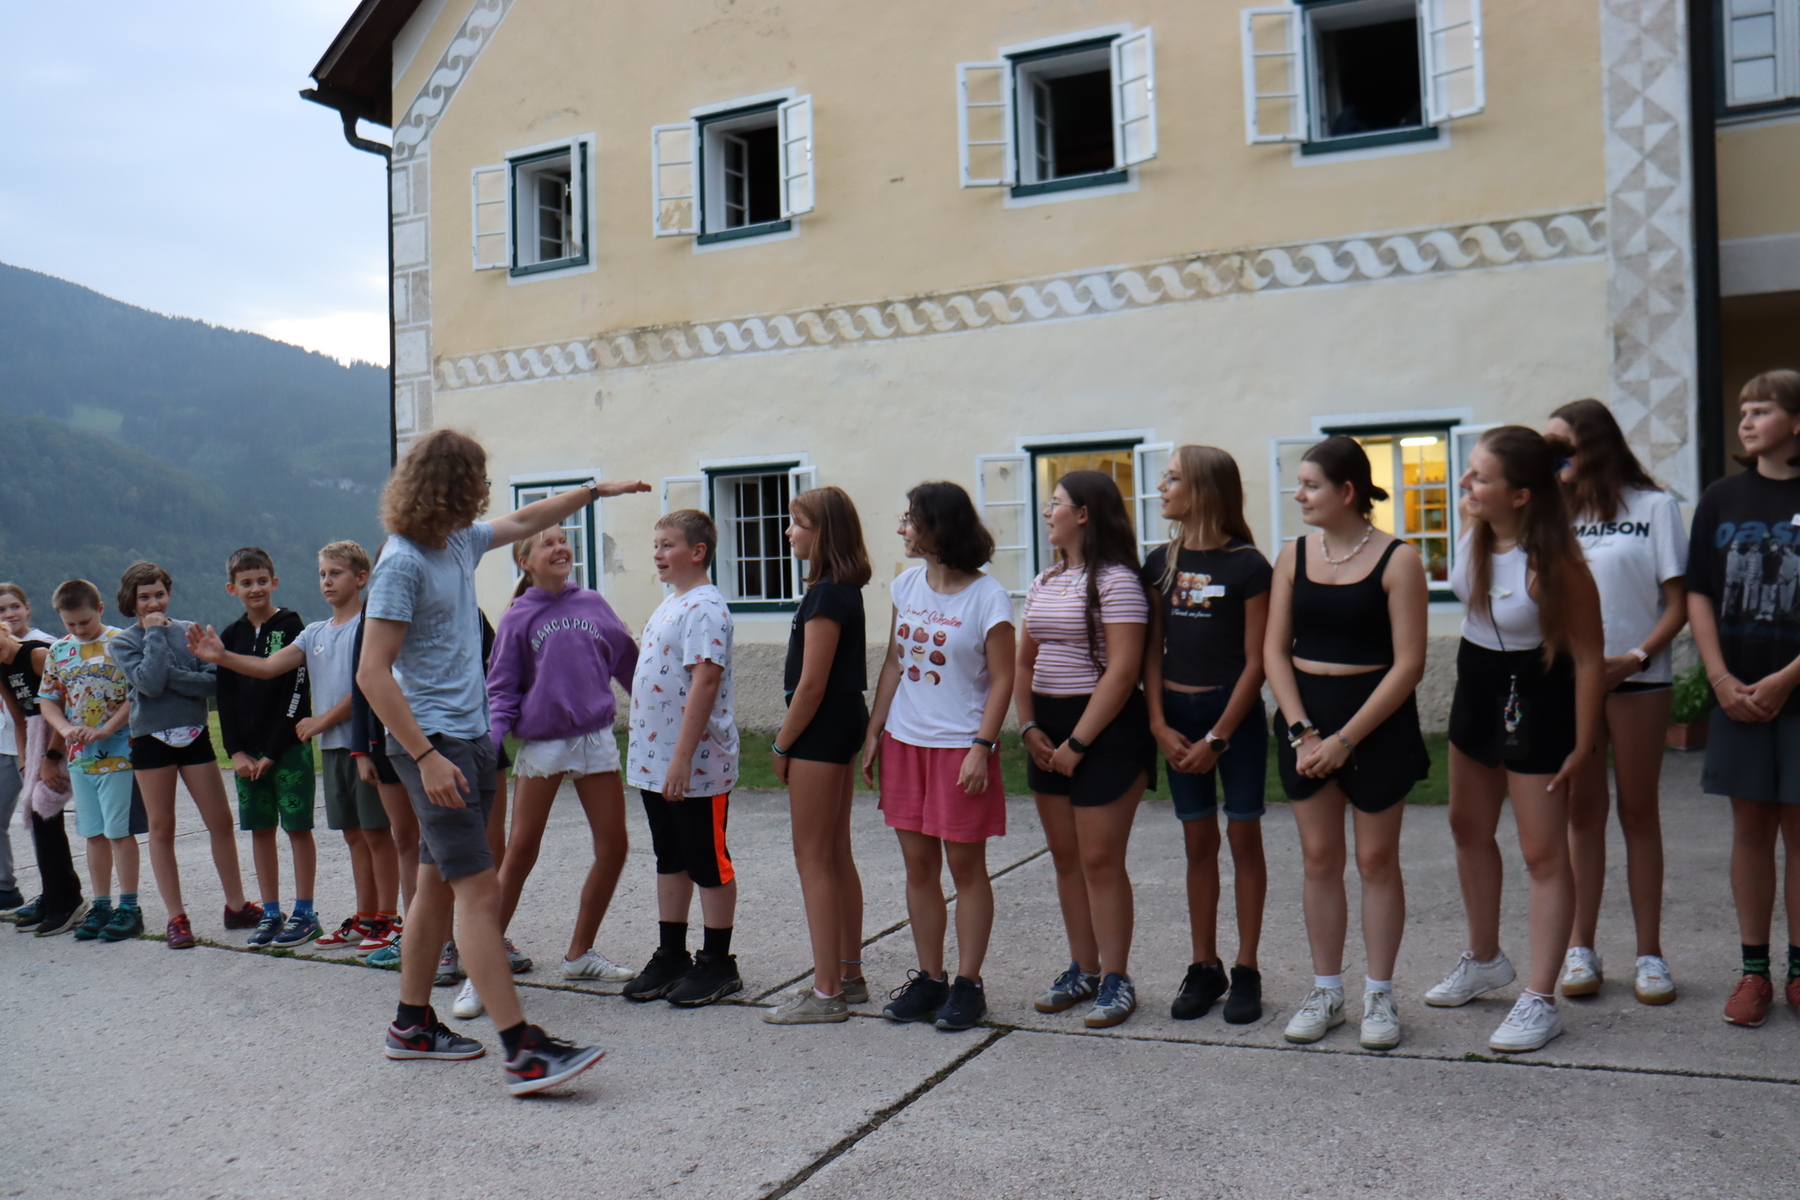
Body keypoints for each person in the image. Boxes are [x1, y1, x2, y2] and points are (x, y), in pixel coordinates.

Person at [360, 427, 643, 1094]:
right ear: (449, 486)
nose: (485, 493)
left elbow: (523, 520)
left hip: (467, 739)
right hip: (433, 743)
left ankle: (411, 1024)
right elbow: (373, 673)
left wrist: (593, 491)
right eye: (477, 482)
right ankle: (523, 1050)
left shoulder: (455, 542)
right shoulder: (402, 563)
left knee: (437, 882)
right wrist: (426, 756)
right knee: (479, 893)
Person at [1430, 426, 1604, 1054]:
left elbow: (1590, 658)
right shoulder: (1474, 529)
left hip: (1540, 697)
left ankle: (1539, 999)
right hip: (1477, 687)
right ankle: (1484, 959)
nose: (1465, 483)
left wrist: (1583, 744)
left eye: (1480, 477)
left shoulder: (1557, 565)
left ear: (1522, 495)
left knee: (1542, 853)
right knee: (1467, 827)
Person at [1265, 437, 1430, 1051]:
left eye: (1310, 485)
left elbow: (1409, 665)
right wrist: (1302, 731)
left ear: (1347, 491)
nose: (1299, 495)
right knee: (1319, 859)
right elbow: (1274, 651)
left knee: (1376, 860)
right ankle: (1326, 991)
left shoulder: (1400, 560)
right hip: (1306, 719)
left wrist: (1345, 739)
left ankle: (1379, 994)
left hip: (1376, 722)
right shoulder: (1292, 556)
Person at [457, 525, 640, 1021]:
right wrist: (489, 746)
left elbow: (631, 667)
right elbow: (501, 690)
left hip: (595, 740)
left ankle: (580, 955)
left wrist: (669, 713)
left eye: (563, 540)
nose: (560, 547)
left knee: (614, 847)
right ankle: (481, 971)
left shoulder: (594, 605)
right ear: (525, 561)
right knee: (520, 850)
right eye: (547, 543)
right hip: (543, 745)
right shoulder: (519, 617)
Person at [192, 542, 401, 956]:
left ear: (361, 578)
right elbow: (269, 667)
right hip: (335, 748)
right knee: (353, 835)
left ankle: (388, 918)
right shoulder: (315, 633)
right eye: (322, 574)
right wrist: (223, 657)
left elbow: (370, 682)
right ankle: (365, 916)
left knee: (377, 834)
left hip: (367, 741)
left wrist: (322, 720)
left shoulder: (369, 626)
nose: (327, 581)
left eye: (336, 573)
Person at [1546, 399, 1688, 1006]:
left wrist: (1634, 657)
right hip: (1571, 681)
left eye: (1562, 446)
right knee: (1581, 812)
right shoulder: (1554, 512)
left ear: (1596, 444)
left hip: (1638, 675)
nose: (1553, 458)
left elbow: (1678, 603)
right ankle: (1581, 947)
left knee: (1637, 810)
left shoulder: (1654, 507)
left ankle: (1650, 954)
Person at [861, 482, 1015, 1031]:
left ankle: (969, 986)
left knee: (966, 870)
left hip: (960, 749)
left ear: (938, 527)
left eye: (911, 519)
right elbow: (895, 663)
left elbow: (1004, 679)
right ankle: (931, 980)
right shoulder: (905, 585)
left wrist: (982, 747)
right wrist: (876, 731)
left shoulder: (988, 597)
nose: (902, 528)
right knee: (919, 868)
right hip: (907, 744)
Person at [1017, 470, 1156, 1030]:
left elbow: (1123, 672)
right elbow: (1023, 660)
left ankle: (1117, 978)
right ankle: (1084, 969)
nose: (1047, 512)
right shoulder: (1045, 580)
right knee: (1066, 858)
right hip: (1047, 727)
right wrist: (1028, 726)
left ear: (1083, 515)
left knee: (1100, 860)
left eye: (1055, 503)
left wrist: (1078, 742)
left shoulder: (1119, 582)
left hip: (1106, 730)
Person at [1686, 370, 1800, 1029]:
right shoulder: (1722, 497)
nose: (1747, 421)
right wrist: (1720, 678)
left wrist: (1788, 678)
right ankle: (1754, 972)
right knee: (1751, 832)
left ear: (1797, 421)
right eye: (1744, 411)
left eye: (1763, 410)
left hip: (1796, 695)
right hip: (1738, 696)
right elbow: (1698, 591)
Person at [1143, 447, 1272, 1025]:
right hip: (1175, 715)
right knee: (1198, 843)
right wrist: (1157, 723)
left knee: (1243, 838)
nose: (1162, 486)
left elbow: (1257, 661)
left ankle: (1246, 967)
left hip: (1232, 720)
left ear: (1203, 489)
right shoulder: (1159, 562)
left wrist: (1219, 735)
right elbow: (1150, 651)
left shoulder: (1249, 565)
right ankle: (1204, 965)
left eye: (1173, 478)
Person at [622, 510, 745, 1008]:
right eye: (655, 544)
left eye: (668, 545)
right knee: (670, 857)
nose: (658, 553)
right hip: (657, 763)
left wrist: (681, 758)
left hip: (694, 767)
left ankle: (718, 962)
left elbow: (705, 681)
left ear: (698, 551)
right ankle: (672, 953)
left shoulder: (706, 608)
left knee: (707, 862)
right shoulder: (672, 602)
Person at [765, 485, 873, 1026]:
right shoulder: (842, 590)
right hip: (842, 722)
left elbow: (811, 685)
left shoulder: (826, 596)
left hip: (821, 729)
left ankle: (826, 991)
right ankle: (848, 975)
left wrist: (782, 743)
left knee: (812, 857)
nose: (789, 532)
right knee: (834, 851)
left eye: (798, 523)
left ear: (823, 532)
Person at [110, 562, 249, 946]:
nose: (153, 603)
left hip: (195, 735)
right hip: (150, 740)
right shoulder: (123, 642)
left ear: (169, 593)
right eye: (144, 597)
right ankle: (177, 918)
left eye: (159, 594)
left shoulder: (190, 631)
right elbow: (150, 685)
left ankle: (237, 907)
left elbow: (214, 684)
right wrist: (154, 634)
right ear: (131, 601)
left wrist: (171, 676)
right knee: (161, 827)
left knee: (220, 821)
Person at [216, 547, 319, 948]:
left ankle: (305, 912)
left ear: (274, 582)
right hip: (248, 756)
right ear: (232, 589)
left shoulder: (291, 626)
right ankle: (271, 912)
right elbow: (224, 699)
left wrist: (273, 751)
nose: (255, 588)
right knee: (261, 830)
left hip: (288, 748)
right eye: (246, 583)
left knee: (297, 828)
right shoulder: (231, 636)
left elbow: (296, 692)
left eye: (262, 581)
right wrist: (236, 752)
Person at [34, 580, 134, 939]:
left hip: (120, 754)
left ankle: (129, 905)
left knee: (118, 831)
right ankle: (101, 903)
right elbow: (48, 699)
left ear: (100, 609)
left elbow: (135, 694)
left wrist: (108, 729)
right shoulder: (59, 651)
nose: (79, 629)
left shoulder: (121, 642)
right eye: (71, 623)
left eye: (86, 622)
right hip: (80, 758)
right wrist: (64, 728)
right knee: (92, 832)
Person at [0, 585, 81, 927]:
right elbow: (20, 719)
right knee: (38, 817)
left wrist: (50, 758)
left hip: (59, 737)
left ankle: (67, 900)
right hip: (34, 741)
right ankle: (53, 896)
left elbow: (68, 703)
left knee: (47, 815)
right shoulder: (1, 668)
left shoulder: (37, 654)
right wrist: (25, 764)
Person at [350, 596, 414, 965]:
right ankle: (414, 933)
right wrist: (361, 749)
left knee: (444, 841)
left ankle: (463, 937)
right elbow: (361, 681)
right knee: (405, 838)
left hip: (446, 734)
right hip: (387, 741)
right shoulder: (375, 608)